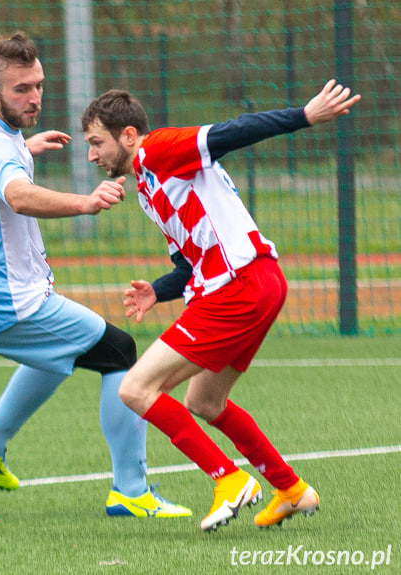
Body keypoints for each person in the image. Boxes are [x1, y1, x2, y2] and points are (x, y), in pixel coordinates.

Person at [80, 79, 360, 530]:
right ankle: (290, 488)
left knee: (134, 389)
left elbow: (233, 131)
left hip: (239, 286)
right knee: (206, 400)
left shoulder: (157, 150)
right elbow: (189, 264)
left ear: (127, 136)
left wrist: (304, 116)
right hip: (260, 281)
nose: (92, 155)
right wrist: (158, 290)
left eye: (96, 142)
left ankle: (228, 479)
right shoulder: (147, 188)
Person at [0, 31, 191, 518]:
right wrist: (86, 202)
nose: (34, 98)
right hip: (3, 298)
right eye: (20, 90)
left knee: (57, 355)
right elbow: (18, 196)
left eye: (38, 85)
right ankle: (131, 491)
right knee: (119, 353)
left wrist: (21, 146)